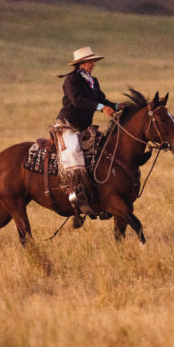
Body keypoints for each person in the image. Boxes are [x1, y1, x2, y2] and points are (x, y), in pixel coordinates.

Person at [53, 46, 120, 218]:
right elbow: (77, 101)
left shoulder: (93, 81)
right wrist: (101, 108)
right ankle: (75, 194)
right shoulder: (71, 80)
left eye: (93, 61)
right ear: (81, 64)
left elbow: (102, 99)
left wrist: (117, 106)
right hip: (68, 125)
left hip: (84, 127)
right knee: (74, 152)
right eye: (90, 61)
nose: (93, 64)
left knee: (101, 151)